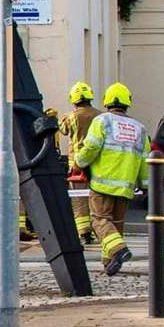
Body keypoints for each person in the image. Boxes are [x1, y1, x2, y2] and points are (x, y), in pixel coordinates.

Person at [73, 83, 151, 276]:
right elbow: (145, 160)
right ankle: (110, 263)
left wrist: (79, 161)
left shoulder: (102, 121)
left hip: (102, 184)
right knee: (116, 224)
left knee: (100, 221)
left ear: (107, 101)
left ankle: (119, 251)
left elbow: (91, 148)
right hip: (125, 187)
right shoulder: (140, 128)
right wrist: (146, 185)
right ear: (127, 102)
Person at [59, 82, 101, 243]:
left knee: (79, 199)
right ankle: (99, 227)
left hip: (76, 165)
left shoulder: (71, 117)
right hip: (97, 164)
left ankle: (84, 233)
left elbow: (62, 130)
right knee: (96, 197)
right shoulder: (99, 116)